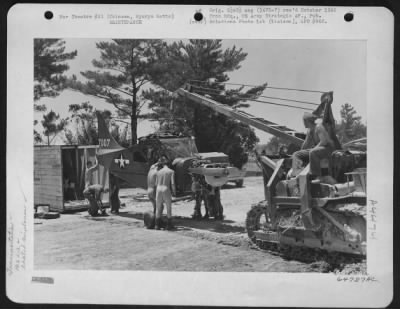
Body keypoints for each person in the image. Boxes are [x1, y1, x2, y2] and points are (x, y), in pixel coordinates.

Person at [290, 112, 336, 183]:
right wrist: (301, 153)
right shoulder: (309, 130)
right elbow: (306, 144)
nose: (303, 123)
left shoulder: (318, 127)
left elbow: (324, 141)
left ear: (307, 121)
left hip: (328, 149)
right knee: (296, 154)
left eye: (304, 121)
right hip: (319, 149)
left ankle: (318, 175)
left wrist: (313, 150)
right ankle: (297, 173)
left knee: (313, 152)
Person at [154, 155, 176, 230]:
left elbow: (156, 184)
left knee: (158, 208)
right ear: (169, 164)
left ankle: (157, 225)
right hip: (166, 189)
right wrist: (174, 191)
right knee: (168, 208)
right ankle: (169, 225)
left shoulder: (158, 172)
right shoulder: (171, 171)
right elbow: (172, 183)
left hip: (158, 189)